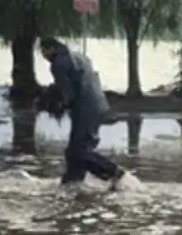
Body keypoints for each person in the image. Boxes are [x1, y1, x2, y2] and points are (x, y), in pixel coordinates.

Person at [39, 37, 125, 187]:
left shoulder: (58, 64)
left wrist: (54, 104)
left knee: (77, 152)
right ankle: (71, 184)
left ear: (52, 48)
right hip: (98, 105)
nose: (43, 55)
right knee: (75, 152)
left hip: (84, 109)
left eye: (44, 51)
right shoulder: (79, 57)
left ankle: (113, 172)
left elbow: (68, 94)